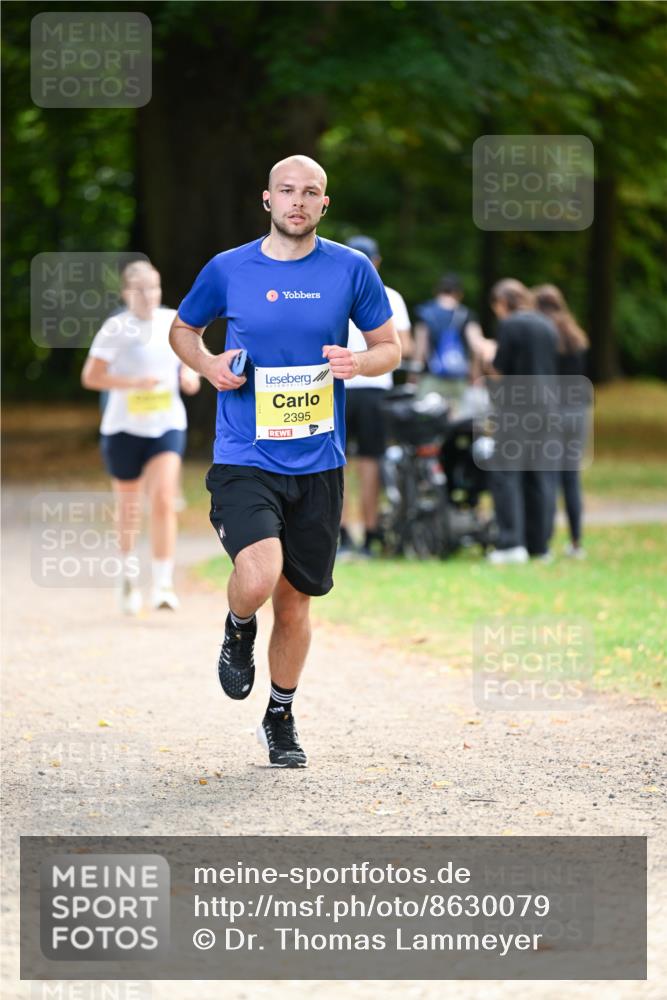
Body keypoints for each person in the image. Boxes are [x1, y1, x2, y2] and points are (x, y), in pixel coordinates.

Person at [168, 154, 400, 768]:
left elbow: (389, 348)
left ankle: (280, 715)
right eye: (287, 190)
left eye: (311, 192)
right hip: (245, 453)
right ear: (267, 199)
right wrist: (209, 364)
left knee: (296, 601)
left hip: (319, 459)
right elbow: (183, 330)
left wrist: (358, 362)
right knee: (258, 576)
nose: (298, 200)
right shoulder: (228, 268)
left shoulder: (351, 269)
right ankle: (238, 625)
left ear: (325, 204)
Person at [81, 260, 201, 614]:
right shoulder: (115, 329)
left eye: (154, 288)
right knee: (129, 506)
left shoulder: (174, 321)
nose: (149, 296)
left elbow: (191, 362)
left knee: (163, 498)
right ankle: (127, 575)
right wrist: (133, 383)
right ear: (126, 293)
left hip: (167, 424)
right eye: (140, 290)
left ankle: (163, 584)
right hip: (123, 428)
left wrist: (189, 376)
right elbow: (91, 377)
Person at [338, 234, 412, 558]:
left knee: (337, 462)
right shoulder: (391, 296)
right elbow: (405, 347)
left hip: (338, 386)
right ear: (377, 262)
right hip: (375, 387)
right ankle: (370, 535)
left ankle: (343, 535)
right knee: (370, 462)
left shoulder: (333, 292)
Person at [486, 278, 558, 564]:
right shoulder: (547, 324)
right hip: (547, 407)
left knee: (506, 473)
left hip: (516, 408)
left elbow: (499, 369)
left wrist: (485, 355)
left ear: (502, 302)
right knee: (539, 476)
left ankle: (511, 543)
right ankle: (539, 545)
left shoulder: (510, 325)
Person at [533, 283, 591, 558]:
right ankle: (576, 542)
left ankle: (544, 542)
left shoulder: (543, 333)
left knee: (548, 478)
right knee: (571, 478)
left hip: (553, 411)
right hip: (578, 411)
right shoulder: (575, 334)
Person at [413, 273, 491, 402]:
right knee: (458, 414)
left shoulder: (425, 313)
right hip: (459, 378)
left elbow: (420, 348)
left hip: (431, 377)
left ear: (436, 291)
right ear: (459, 293)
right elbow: (476, 347)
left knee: (426, 412)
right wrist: (475, 376)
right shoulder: (466, 314)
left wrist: (413, 376)